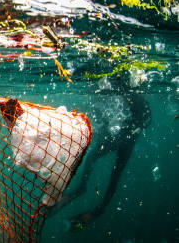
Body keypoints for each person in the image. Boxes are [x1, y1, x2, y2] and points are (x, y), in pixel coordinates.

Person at [50, 91, 151, 231]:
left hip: (126, 130)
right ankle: (93, 202)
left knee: (102, 164)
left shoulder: (128, 94)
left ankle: (83, 193)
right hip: (128, 130)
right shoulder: (132, 95)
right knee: (114, 172)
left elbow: (142, 115)